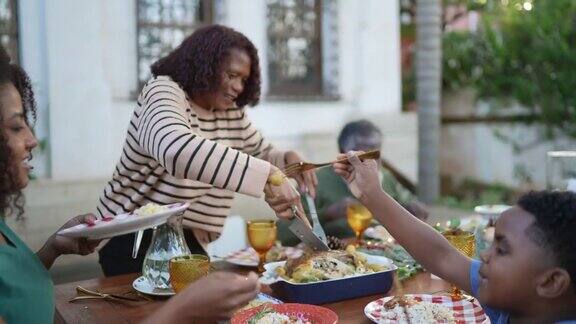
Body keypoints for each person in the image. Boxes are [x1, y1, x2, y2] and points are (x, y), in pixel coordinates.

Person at [0, 47, 259, 324]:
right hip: (131, 244)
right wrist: (183, 310)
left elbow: (13, 288)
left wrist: (52, 249)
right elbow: (176, 149)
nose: (32, 140)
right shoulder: (164, 92)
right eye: (16, 127)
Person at [97, 24, 316, 276]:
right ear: (205, 65)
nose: (238, 87)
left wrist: (286, 159)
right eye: (231, 75)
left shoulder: (230, 112)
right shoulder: (163, 91)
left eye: (244, 80)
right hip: (132, 239)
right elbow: (175, 150)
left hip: (189, 241)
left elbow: (259, 153)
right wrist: (269, 175)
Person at [334, 151, 576, 323]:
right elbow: (442, 257)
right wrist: (372, 194)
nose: (484, 254)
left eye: (502, 250)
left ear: (550, 282)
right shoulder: (517, 307)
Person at [278, 119, 428, 244]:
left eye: (376, 154)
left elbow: (410, 204)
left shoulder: (385, 177)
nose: (373, 163)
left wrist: (414, 210)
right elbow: (282, 234)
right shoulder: (317, 182)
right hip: (340, 260)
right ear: (343, 153)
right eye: (364, 155)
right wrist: (328, 214)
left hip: (387, 254)